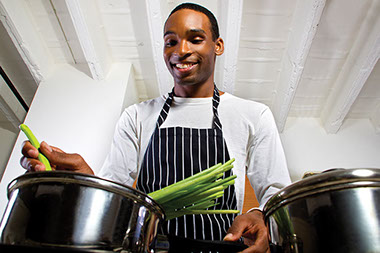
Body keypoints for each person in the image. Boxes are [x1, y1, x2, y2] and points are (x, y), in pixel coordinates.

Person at [20, 3, 291, 253]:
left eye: (195, 39)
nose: (180, 50)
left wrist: (258, 214)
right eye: (170, 42)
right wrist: (81, 184)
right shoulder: (136, 116)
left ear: (217, 45)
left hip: (222, 246)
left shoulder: (253, 115)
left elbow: (276, 194)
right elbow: (116, 194)